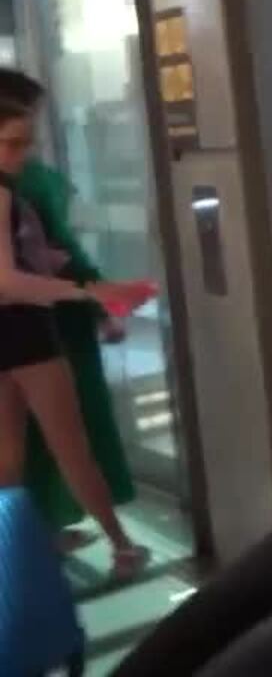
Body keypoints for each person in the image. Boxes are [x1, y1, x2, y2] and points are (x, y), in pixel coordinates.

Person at [0, 87, 154, 579]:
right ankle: (122, 547)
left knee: (9, 455)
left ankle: (18, 554)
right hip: (24, 332)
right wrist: (90, 292)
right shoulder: (3, 194)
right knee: (71, 447)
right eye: (12, 142)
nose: (23, 154)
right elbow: (8, 281)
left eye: (26, 142)